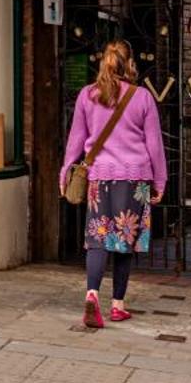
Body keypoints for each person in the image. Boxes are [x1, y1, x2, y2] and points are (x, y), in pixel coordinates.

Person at [60, 39, 167, 329]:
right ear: (130, 63)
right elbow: (154, 144)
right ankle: (118, 305)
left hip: (99, 178)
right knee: (124, 241)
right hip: (135, 179)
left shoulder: (87, 95)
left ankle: (92, 293)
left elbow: (76, 140)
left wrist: (66, 170)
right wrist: (160, 180)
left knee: (98, 237)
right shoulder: (142, 97)